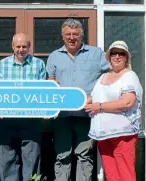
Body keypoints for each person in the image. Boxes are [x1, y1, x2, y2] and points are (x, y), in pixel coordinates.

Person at [46, 18, 110, 181]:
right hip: (62, 116)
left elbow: (110, 76)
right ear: (63, 36)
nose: (72, 37)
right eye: (68, 34)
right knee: (62, 155)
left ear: (82, 35)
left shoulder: (96, 54)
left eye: (75, 34)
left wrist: (95, 97)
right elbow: (50, 81)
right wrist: (51, 83)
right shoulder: (54, 56)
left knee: (85, 155)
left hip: (87, 114)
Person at [85, 41, 143, 181]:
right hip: (103, 136)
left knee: (125, 173)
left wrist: (99, 106)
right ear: (109, 57)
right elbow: (94, 98)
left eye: (121, 54)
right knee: (111, 174)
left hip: (123, 135)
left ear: (126, 57)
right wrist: (84, 100)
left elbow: (127, 102)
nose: (117, 56)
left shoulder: (129, 76)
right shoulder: (103, 77)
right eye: (114, 53)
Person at [0, 33, 46, 181]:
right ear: (13, 47)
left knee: (32, 160)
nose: (21, 49)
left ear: (29, 46)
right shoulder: (2, 65)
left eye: (24, 46)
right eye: (18, 46)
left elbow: (44, 92)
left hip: (31, 120)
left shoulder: (39, 64)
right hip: (6, 120)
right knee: (7, 160)